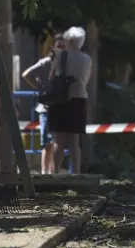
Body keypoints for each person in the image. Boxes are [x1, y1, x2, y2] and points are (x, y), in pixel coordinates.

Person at [46, 26, 93, 174]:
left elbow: (52, 76)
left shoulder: (60, 55)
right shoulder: (87, 59)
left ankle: (55, 172)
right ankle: (76, 172)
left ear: (70, 41)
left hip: (61, 99)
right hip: (79, 98)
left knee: (59, 139)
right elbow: (86, 79)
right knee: (74, 140)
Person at [21, 36, 65, 173]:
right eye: (59, 46)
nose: (61, 50)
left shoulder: (66, 65)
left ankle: (54, 171)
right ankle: (45, 172)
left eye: (63, 47)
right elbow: (26, 74)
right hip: (46, 108)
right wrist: (40, 87)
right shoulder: (46, 63)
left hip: (61, 107)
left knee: (57, 142)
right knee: (46, 142)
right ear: (53, 47)